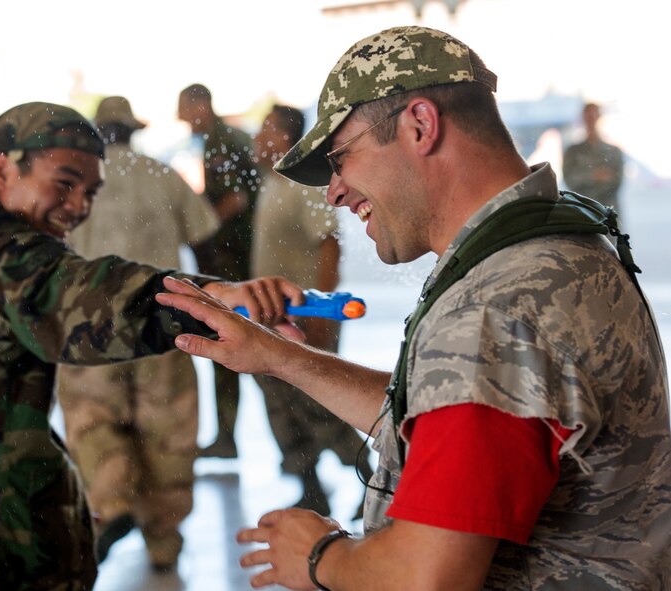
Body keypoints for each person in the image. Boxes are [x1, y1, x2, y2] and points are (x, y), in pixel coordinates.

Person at [157, 26, 671, 590]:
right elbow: (439, 413)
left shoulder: (496, 307)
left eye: (340, 158)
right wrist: (275, 355)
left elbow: (425, 577)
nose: (333, 191)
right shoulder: (552, 244)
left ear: (420, 125)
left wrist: (317, 556)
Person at [0, 101, 302, 590]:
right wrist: (212, 297)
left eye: (90, 191)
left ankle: (120, 511)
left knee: (102, 436)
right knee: (161, 446)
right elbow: (79, 291)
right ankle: (153, 536)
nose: (79, 205)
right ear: (3, 169)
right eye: (64, 183)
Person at [55, 95, 220, 572]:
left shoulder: (76, 184)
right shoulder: (160, 174)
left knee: (93, 420)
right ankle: (163, 542)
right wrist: (208, 304)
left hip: (87, 329)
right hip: (161, 321)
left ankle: (113, 503)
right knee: (165, 430)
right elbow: (203, 235)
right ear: (132, 130)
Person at [251, 104, 373, 517]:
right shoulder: (273, 183)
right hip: (273, 319)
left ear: (285, 137)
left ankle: (372, 480)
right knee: (284, 409)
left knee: (322, 405)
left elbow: (329, 244)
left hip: (307, 316)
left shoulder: (303, 187)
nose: (257, 137)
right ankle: (311, 490)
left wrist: (322, 313)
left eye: (266, 129)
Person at [177, 83, 260, 459]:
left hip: (235, 262)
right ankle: (226, 436)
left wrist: (201, 230)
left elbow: (236, 199)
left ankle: (325, 443)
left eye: (185, 110)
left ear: (201, 105)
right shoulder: (221, 139)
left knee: (242, 346)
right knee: (230, 348)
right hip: (233, 261)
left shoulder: (222, 141)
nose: (183, 119)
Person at [562, 102, 625, 216]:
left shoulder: (613, 151)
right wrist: (593, 175)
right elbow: (569, 180)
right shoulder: (573, 152)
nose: (591, 120)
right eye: (588, 116)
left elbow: (616, 182)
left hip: (608, 211)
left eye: (594, 116)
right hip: (583, 211)